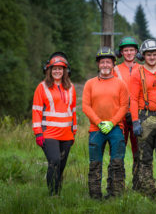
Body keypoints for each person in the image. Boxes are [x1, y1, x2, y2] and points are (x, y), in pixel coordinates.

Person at [82, 47, 129, 199]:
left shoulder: (120, 84)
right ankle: (95, 196)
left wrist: (112, 122)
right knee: (95, 163)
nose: (105, 65)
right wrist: (99, 122)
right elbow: (85, 106)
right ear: (98, 64)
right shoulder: (90, 83)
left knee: (117, 162)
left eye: (108, 62)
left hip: (116, 129)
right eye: (102, 62)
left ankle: (115, 194)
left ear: (114, 64)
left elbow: (124, 106)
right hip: (96, 129)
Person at [129, 39, 156, 196]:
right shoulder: (137, 73)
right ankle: (148, 192)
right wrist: (135, 121)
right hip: (144, 117)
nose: (152, 57)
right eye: (149, 54)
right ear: (143, 56)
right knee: (145, 158)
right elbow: (133, 99)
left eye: (155, 54)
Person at [32, 52, 77, 196]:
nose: (57, 71)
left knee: (61, 166)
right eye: (54, 68)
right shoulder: (42, 87)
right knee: (54, 161)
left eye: (60, 68)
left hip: (66, 134)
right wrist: (38, 132)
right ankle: (53, 195)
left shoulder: (71, 87)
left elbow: (73, 111)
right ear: (49, 70)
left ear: (65, 71)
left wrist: (73, 132)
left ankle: (58, 192)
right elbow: (37, 111)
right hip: (49, 133)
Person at [114, 36, 140, 186]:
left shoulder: (142, 69)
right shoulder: (115, 69)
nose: (129, 53)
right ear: (121, 53)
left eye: (131, 50)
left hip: (137, 116)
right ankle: (118, 183)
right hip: (120, 117)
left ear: (136, 52)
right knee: (118, 151)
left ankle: (138, 182)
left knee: (139, 152)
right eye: (126, 50)